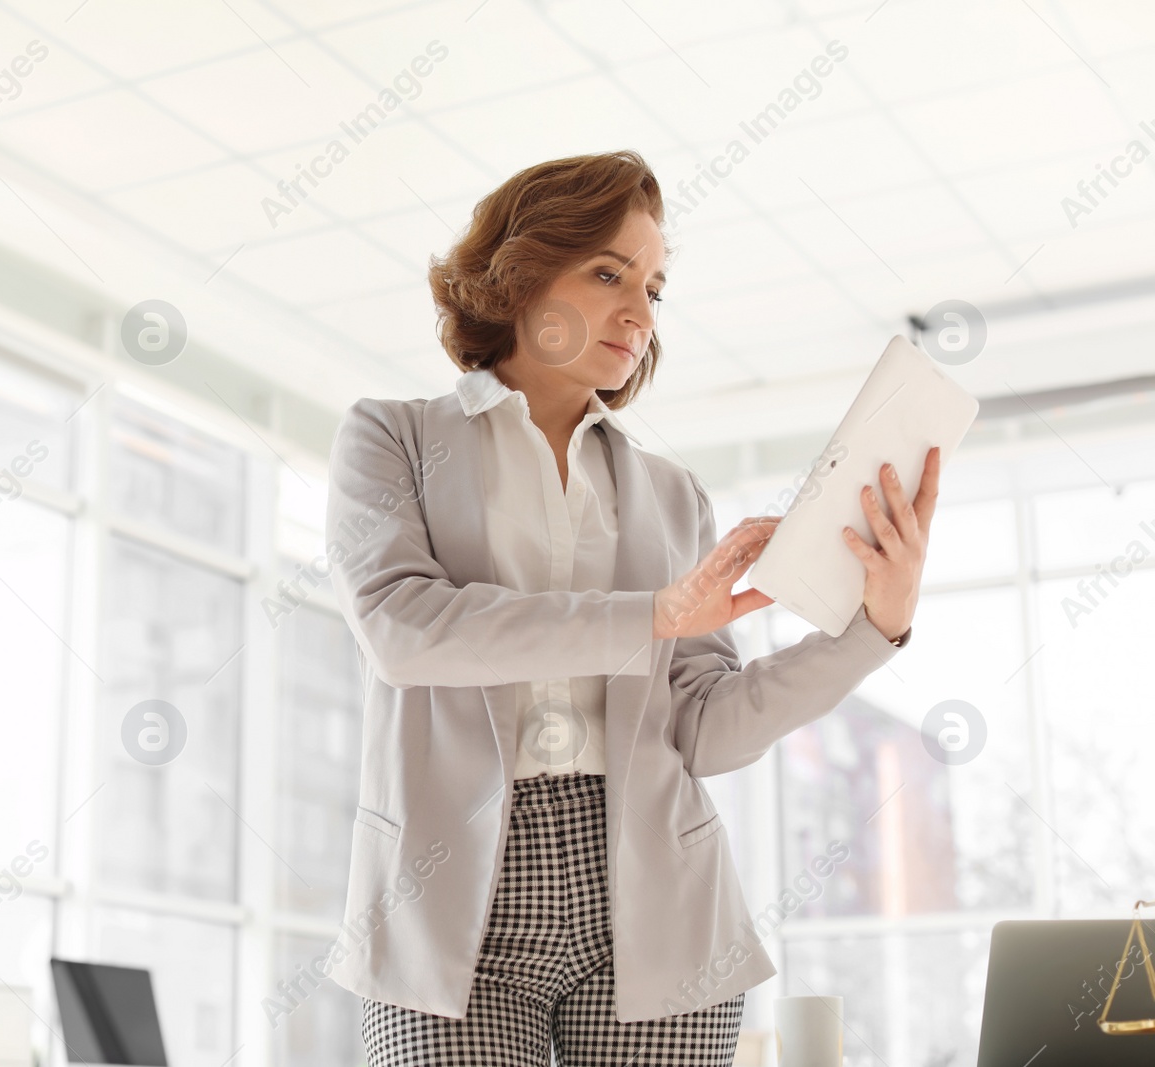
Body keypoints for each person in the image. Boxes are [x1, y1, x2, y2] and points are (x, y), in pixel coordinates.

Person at [322, 150, 938, 1066]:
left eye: (653, 286)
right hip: (448, 906)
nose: (640, 313)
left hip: (661, 916)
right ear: (520, 273)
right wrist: (651, 614)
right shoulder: (393, 438)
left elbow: (707, 731)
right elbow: (404, 630)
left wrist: (871, 629)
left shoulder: (673, 494)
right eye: (609, 273)